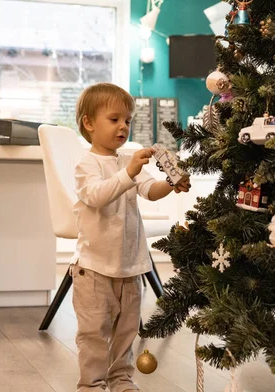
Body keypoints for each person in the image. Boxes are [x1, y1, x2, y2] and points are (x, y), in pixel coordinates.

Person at [72, 83, 190, 392]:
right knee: (94, 334)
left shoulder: (128, 161)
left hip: (131, 267)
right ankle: (92, 384)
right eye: (114, 119)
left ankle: (121, 379)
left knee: (126, 331)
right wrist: (129, 172)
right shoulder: (87, 164)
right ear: (89, 123)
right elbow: (97, 196)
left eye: (127, 120)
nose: (123, 126)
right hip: (94, 269)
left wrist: (172, 182)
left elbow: (150, 191)